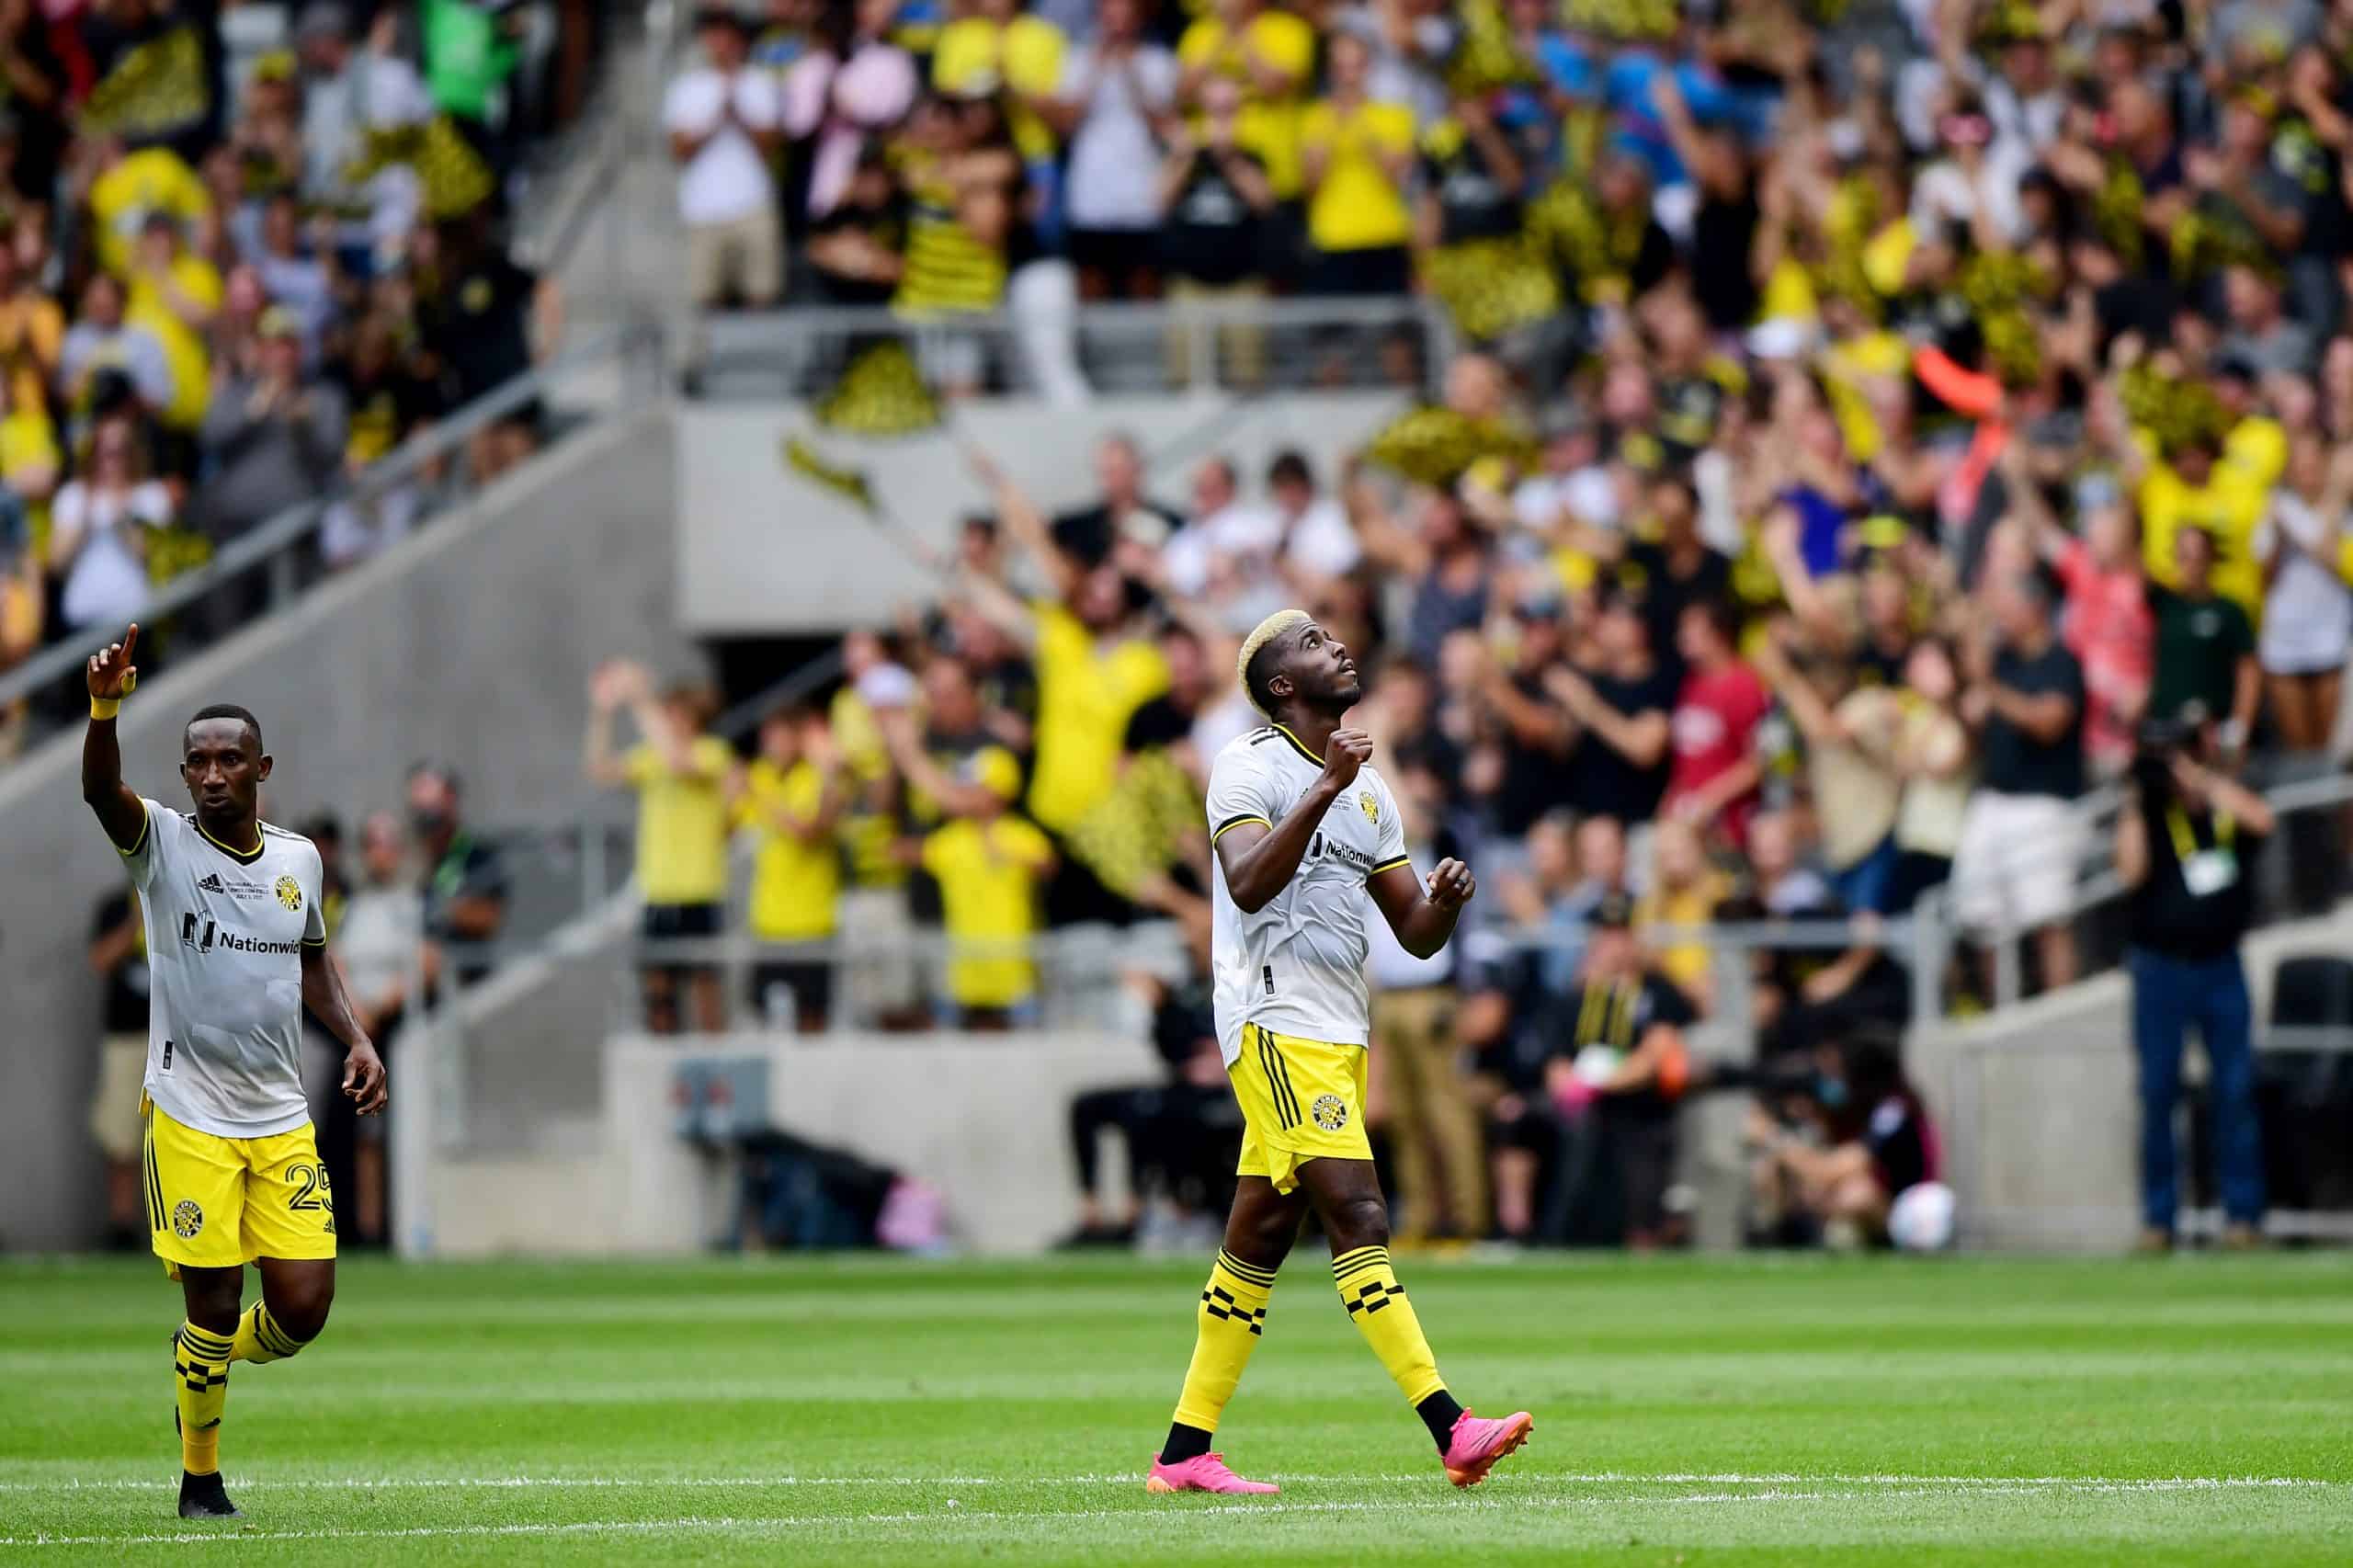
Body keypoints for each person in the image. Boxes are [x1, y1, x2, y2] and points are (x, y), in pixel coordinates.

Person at [1145, 608, 1529, 1497]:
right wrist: (1322, 785)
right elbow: (1244, 882)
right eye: (1314, 644)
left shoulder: (1369, 788)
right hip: (1272, 1017)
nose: (1337, 646)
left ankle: (1183, 1449)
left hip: (1339, 1029)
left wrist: (1445, 900)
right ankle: (1451, 1424)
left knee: (1259, 1234)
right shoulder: (1249, 765)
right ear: (1282, 685)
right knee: (1357, 1211)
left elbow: (1414, 934)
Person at [78, 623, 386, 1521]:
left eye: (229, 759)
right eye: (198, 761)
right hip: (188, 1111)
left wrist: (359, 1038)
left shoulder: (298, 861)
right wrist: (105, 708)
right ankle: (200, 1477)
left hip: (281, 1111)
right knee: (214, 1295)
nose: (212, 773)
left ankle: (206, 1354)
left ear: (262, 768)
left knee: (304, 1306)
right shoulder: (161, 847)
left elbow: (314, 964)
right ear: (183, 776)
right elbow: (100, 787)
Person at [2115, 717, 2275, 1252]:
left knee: (2234, 1090)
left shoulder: (2222, 806)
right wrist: (2138, 798)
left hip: (2220, 964)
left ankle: (2242, 1216)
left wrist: (2202, 781)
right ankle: (2159, 1219)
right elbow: (2129, 874)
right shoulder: (2151, 814)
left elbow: (2264, 820)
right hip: (2160, 968)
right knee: (2158, 1092)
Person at [584, 660, 739, 1035]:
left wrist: (639, 699)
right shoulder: (651, 758)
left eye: (674, 714)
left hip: (700, 891)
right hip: (658, 891)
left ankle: (714, 1071)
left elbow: (678, 761)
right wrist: (603, 711)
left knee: (706, 993)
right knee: (658, 993)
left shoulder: (712, 752)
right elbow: (600, 769)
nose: (668, 721)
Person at [1951, 570, 2086, 994]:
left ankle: (2059, 1015)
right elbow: (1973, 702)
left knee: (2048, 921)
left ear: (2036, 606)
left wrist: (1989, 690)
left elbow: (2048, 722)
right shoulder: (2001, 662)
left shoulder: (2061, 661)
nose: (2002, 615)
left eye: (2008, 604)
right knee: (1984, 922)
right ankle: (2002, 1018)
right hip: (1992, 800)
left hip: (2045, 805)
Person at [665, 6, 787, 310]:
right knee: (708, 300)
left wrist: (740, 114)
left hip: (753, 204)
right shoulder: (686, 88)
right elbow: (680, 151)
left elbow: (771, 146)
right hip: (703, 210)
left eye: (726, 34)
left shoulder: (760, 82)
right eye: (712, 34)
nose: (719, 42)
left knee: (762, 296)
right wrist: (717, 118)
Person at [737, 704, 847, 1032]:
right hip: (768, 921)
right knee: (762, 1015)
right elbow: (728, 826)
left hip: (812, 921)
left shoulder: (817, 779)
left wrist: (762, 797)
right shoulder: (760, 776)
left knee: (813, 1016)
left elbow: (807, 832)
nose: (771, 745)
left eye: (779, 737)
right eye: (767, 737)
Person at [88, 885, 152, 1250]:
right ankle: (122, 1225)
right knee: (121, 1136)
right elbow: (100, 960)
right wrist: (135, 923)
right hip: (125, 1037)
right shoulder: (115, 905)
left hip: (174, 1040)